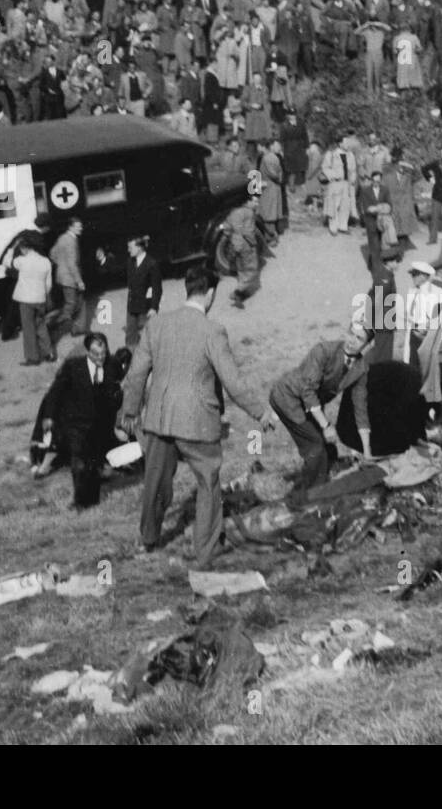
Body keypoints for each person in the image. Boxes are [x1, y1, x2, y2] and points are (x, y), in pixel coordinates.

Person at [120, 266, 276, 560]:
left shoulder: (156, 325)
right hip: (198, 422)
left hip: (160, 418)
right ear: (211, 294)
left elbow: (136, 374)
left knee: (155, 483)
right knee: (207, 484)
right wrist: (260, 413)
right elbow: (233, 381)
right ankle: (204, 551)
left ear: (187, 289)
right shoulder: (212, 331)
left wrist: (130, 411)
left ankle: (149, 539)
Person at [270, 323, 373, 492]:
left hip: (311, 404)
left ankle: (323, 478)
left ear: (368, 345)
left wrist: (367, 451)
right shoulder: (324, 350)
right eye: (350, 334)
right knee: (316, 447)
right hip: (288, 398)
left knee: (328, 449)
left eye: (359, 338)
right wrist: (325, 426)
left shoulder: (361, 368)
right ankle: (309, 496)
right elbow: (307, 391)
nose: (352, 341)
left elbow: (360, 408)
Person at [42, 333, 124, 510]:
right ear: (88, 352)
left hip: (100, 424)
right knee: (79, 462)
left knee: (93, 462)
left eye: (103, 353)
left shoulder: (113, 365)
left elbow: (119, 388)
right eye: (96, 354)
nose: (100, 358)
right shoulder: (73, 367)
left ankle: (92, 500)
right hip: (76, 423)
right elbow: (56, 391)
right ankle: (80, 501)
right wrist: (49, 416)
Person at [12, 237, 55, 366]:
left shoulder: (21, 261)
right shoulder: (45, 261)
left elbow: (7, 261)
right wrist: (43, 295)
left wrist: (12, 248)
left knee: (28, 328)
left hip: (26, 300)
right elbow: (48, 284)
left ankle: (33, 357)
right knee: (41, 325)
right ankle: (49, 353)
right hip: (40, 298)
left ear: (23, 249)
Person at [49, 218, 87, 342]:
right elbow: (72, 264)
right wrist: (79, 281)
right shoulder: (71, 241)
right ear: (70, 227)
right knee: (71, 304)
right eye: (78, 226)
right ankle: (55, 325)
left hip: (63, 276)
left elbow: (52, 253)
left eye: (81, 226)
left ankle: (78, 328)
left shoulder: (62, 237)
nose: (81, 228)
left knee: (77, 301)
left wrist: (61, 265)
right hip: (70, 277)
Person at [224, 193, 263, 309]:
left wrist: (231, 239)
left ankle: (241, 288)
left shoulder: (234, 212)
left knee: (241, 268)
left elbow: (226, 227)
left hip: (235, 244)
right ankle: (238, 293)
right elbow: (249, 232)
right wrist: (253, 243)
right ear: (247, 202)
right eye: (255, 201)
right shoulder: (249, 213)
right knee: (251, 269)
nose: (257, 204)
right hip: (246, 245)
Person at [125, 235, 161, 348]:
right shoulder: (130, 262)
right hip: (132, 306)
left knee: (148, 338)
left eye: (130, 247)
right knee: (130, 337)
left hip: (146, 307)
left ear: (139, 248)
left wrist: (154, 307)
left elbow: (157, 288)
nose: (128, 250)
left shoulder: (151, 264)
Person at [321, 133, 358, 236]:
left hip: (347, 184)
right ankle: (333, 227)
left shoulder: (350, 155)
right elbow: (325, 167)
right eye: (346, 142)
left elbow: (353, 169)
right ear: (340, 143)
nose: (348, 144)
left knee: (345, 205)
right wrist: (334, 175)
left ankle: (343, 226)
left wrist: (353, 178)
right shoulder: (331, 154)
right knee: (334, 205)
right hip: (335, 183)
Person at [357, 170, 396, 257]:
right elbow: (366, 207)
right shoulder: (365, 191)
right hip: (371, 219)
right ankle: (374, 261)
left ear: (381, 181)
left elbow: (389, 205)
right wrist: (382, 207)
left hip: (383, 219)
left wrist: (377, 208)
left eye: (378, 181)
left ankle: (385, 257)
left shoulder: (385, 190)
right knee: (374, 243)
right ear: (371, 180)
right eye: (373, 181)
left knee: (386, 242)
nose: (375, 183)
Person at [257, 138, 285, 244]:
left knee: (269, 214)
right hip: (272, 188)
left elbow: (274, 174)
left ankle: (271, 238)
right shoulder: (272, 156)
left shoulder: (267, 158)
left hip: (269, 188)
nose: (257, 148)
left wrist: (270, 181)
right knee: (269, 212)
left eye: (258, 146)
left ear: (262, 146)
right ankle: (271, 236)